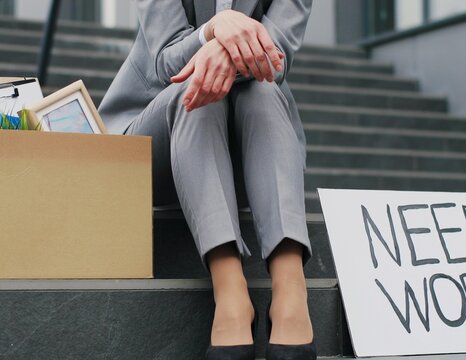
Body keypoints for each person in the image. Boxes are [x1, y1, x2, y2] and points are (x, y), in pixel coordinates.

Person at [99, 1, 315, 359]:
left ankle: (290, 284)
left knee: (261, 90)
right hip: (157, 143)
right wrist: (215, 29)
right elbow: (168, 60)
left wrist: (221, 49)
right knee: (195, 92)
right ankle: (229, 287)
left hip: (250, 151)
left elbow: (275, 59)